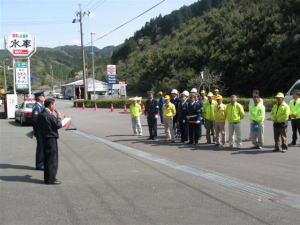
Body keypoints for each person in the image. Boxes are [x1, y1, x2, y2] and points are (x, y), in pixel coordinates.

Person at [38, 98, 62, 185]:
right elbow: (58, 125)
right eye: (54, 104)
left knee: (48, 159)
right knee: (52, 160)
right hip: (51, 138)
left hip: (45, 138)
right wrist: (59, 118)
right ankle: (51, 179)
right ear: (51, 105)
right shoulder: (49, 115)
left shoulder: (41, 114)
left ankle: (48, 178)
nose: (55, 106)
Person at [32, 91, 45, 170]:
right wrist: (37, 132)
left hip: (42, 131)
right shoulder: (36, 107)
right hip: (40, 131)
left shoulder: (41, 106)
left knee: (43, 148)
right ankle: (39, 165)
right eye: (43, 96)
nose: (44, 97)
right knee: (40, 148)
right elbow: (34, 120)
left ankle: (42, 163)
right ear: (40, 98)